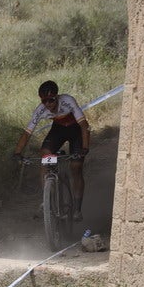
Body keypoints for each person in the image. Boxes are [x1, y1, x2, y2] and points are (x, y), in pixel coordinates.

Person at [11, 80, 90, 221]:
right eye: (44, 101)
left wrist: (85, 148)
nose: (48, 104)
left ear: (57, 97)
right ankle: (46, 201)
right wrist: (18, 152)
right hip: (58, 129)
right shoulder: (40, 109)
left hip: (75, 130)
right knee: (45, 156)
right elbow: (27, 133)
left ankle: (77, 209)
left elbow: (84, 125)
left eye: (51, 100)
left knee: (76, 167)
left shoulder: (68, 101)